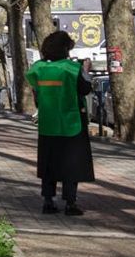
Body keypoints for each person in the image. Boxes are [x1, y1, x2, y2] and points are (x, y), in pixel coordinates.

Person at [25, 30, 94, 215]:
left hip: (48, 124)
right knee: (71, 164)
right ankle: (70, 203)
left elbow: (35, 88)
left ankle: (48, 201)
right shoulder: (72, 68)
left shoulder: (38, 68)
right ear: (65, 48)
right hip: (71, 123)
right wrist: (86, 71)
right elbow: (85, 89)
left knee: (49, 164)